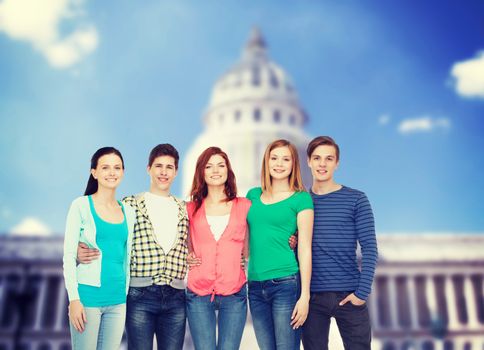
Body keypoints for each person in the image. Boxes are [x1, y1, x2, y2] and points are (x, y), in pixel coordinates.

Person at [77, 144, 189, 350]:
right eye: (158, 166)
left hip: (176, 297)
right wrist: (78, 249)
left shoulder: (186, 209)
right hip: (140, 295)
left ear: (176, 172)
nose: (164, 172)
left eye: (169, 167)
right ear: (148, 169)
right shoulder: (129, 205)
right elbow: (107, 235)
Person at [301, 136, 378, 350]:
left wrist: (361, 293)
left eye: (328, 158)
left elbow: (370, 249)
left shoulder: (357, 199)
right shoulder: (300, 202)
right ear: (308, 161)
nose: (322, 164)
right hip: (312, 299)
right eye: (317, 158)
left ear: (337, 163)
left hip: (349, 295)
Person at [63, 147, 136, 349]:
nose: (112, 172)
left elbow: (126, 255)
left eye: (117, 167)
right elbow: (68, 256)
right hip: (88, 298)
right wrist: (74, 300)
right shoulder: (80, 206)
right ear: (94, 172)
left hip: (118, 300)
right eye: (105, 167)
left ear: (123, 172)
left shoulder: (129, 212)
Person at [246, 139, 314, 350]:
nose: (279, 163)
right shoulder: (252, 195)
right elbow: (243, 239)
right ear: (266, 162)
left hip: (285, 283)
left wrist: (305, 296)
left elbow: (304, 248)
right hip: (255, 286)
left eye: (286, 159)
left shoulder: (301, 199)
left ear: (294, 164)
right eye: (274, 158)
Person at [185, 146, 250, 350]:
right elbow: (183, 242)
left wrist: (293, 237)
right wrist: (187, 255)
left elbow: (262, 234)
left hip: (234, 292)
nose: (215, 170)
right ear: (201, 172)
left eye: (220, 165)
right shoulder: (190, 209)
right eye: (209, 166)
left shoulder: (244, 205)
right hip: (198, 293)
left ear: (227, 170)